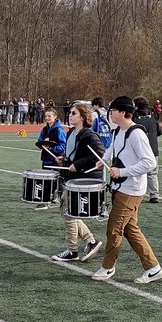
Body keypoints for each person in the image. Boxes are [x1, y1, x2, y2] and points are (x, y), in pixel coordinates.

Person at [90, 96, 162, 284]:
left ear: (123, 112)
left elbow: (149, 162)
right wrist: (103, 160)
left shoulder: (136, 134)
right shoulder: (118, 132)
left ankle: (108, 267)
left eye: (113, 111)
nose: (110, 114)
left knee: (114, 229)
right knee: (131, 229)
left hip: (131, 190)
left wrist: (122, 171)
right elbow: (112, 149)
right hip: (121, 187)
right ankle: (153, 268)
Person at [49, 102, 104, 263]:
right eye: (70, 113)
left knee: (68, 213)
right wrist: (64, 159)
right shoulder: (71, 132)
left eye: (74, 113)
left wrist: (77, 165)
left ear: (83, 117)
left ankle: (72, 250)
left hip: (83, 179)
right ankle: (90, 241)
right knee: (67, 212)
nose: (70, 115)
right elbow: (72, 153)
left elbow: (99, 154)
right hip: (71, 178)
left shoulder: (89, 135)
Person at [133, 96, 162, 203]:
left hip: (139, 150)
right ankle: (154, 195)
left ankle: (136, 193)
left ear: (136, 105)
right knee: (152, 173)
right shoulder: (152, 117)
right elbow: (160, 131)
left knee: (136, 171)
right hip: (153, 149)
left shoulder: (134, 118)